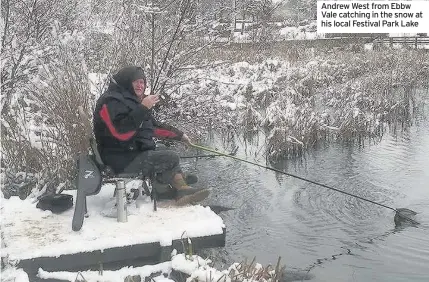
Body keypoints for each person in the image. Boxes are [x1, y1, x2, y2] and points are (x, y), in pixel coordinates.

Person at [93, 66, 209, 205]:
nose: (140, 85)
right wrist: (143, 108)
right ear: (126, 82)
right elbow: (120, 133)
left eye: (142, 82)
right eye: (136, 81)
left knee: (161, 149)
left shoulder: (129, 100)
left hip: (127, 153)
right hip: (119, 159)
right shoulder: (111, 101)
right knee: (170, 157)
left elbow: (152, 127)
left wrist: (180, 136)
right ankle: (179, 185)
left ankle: (176, 188)